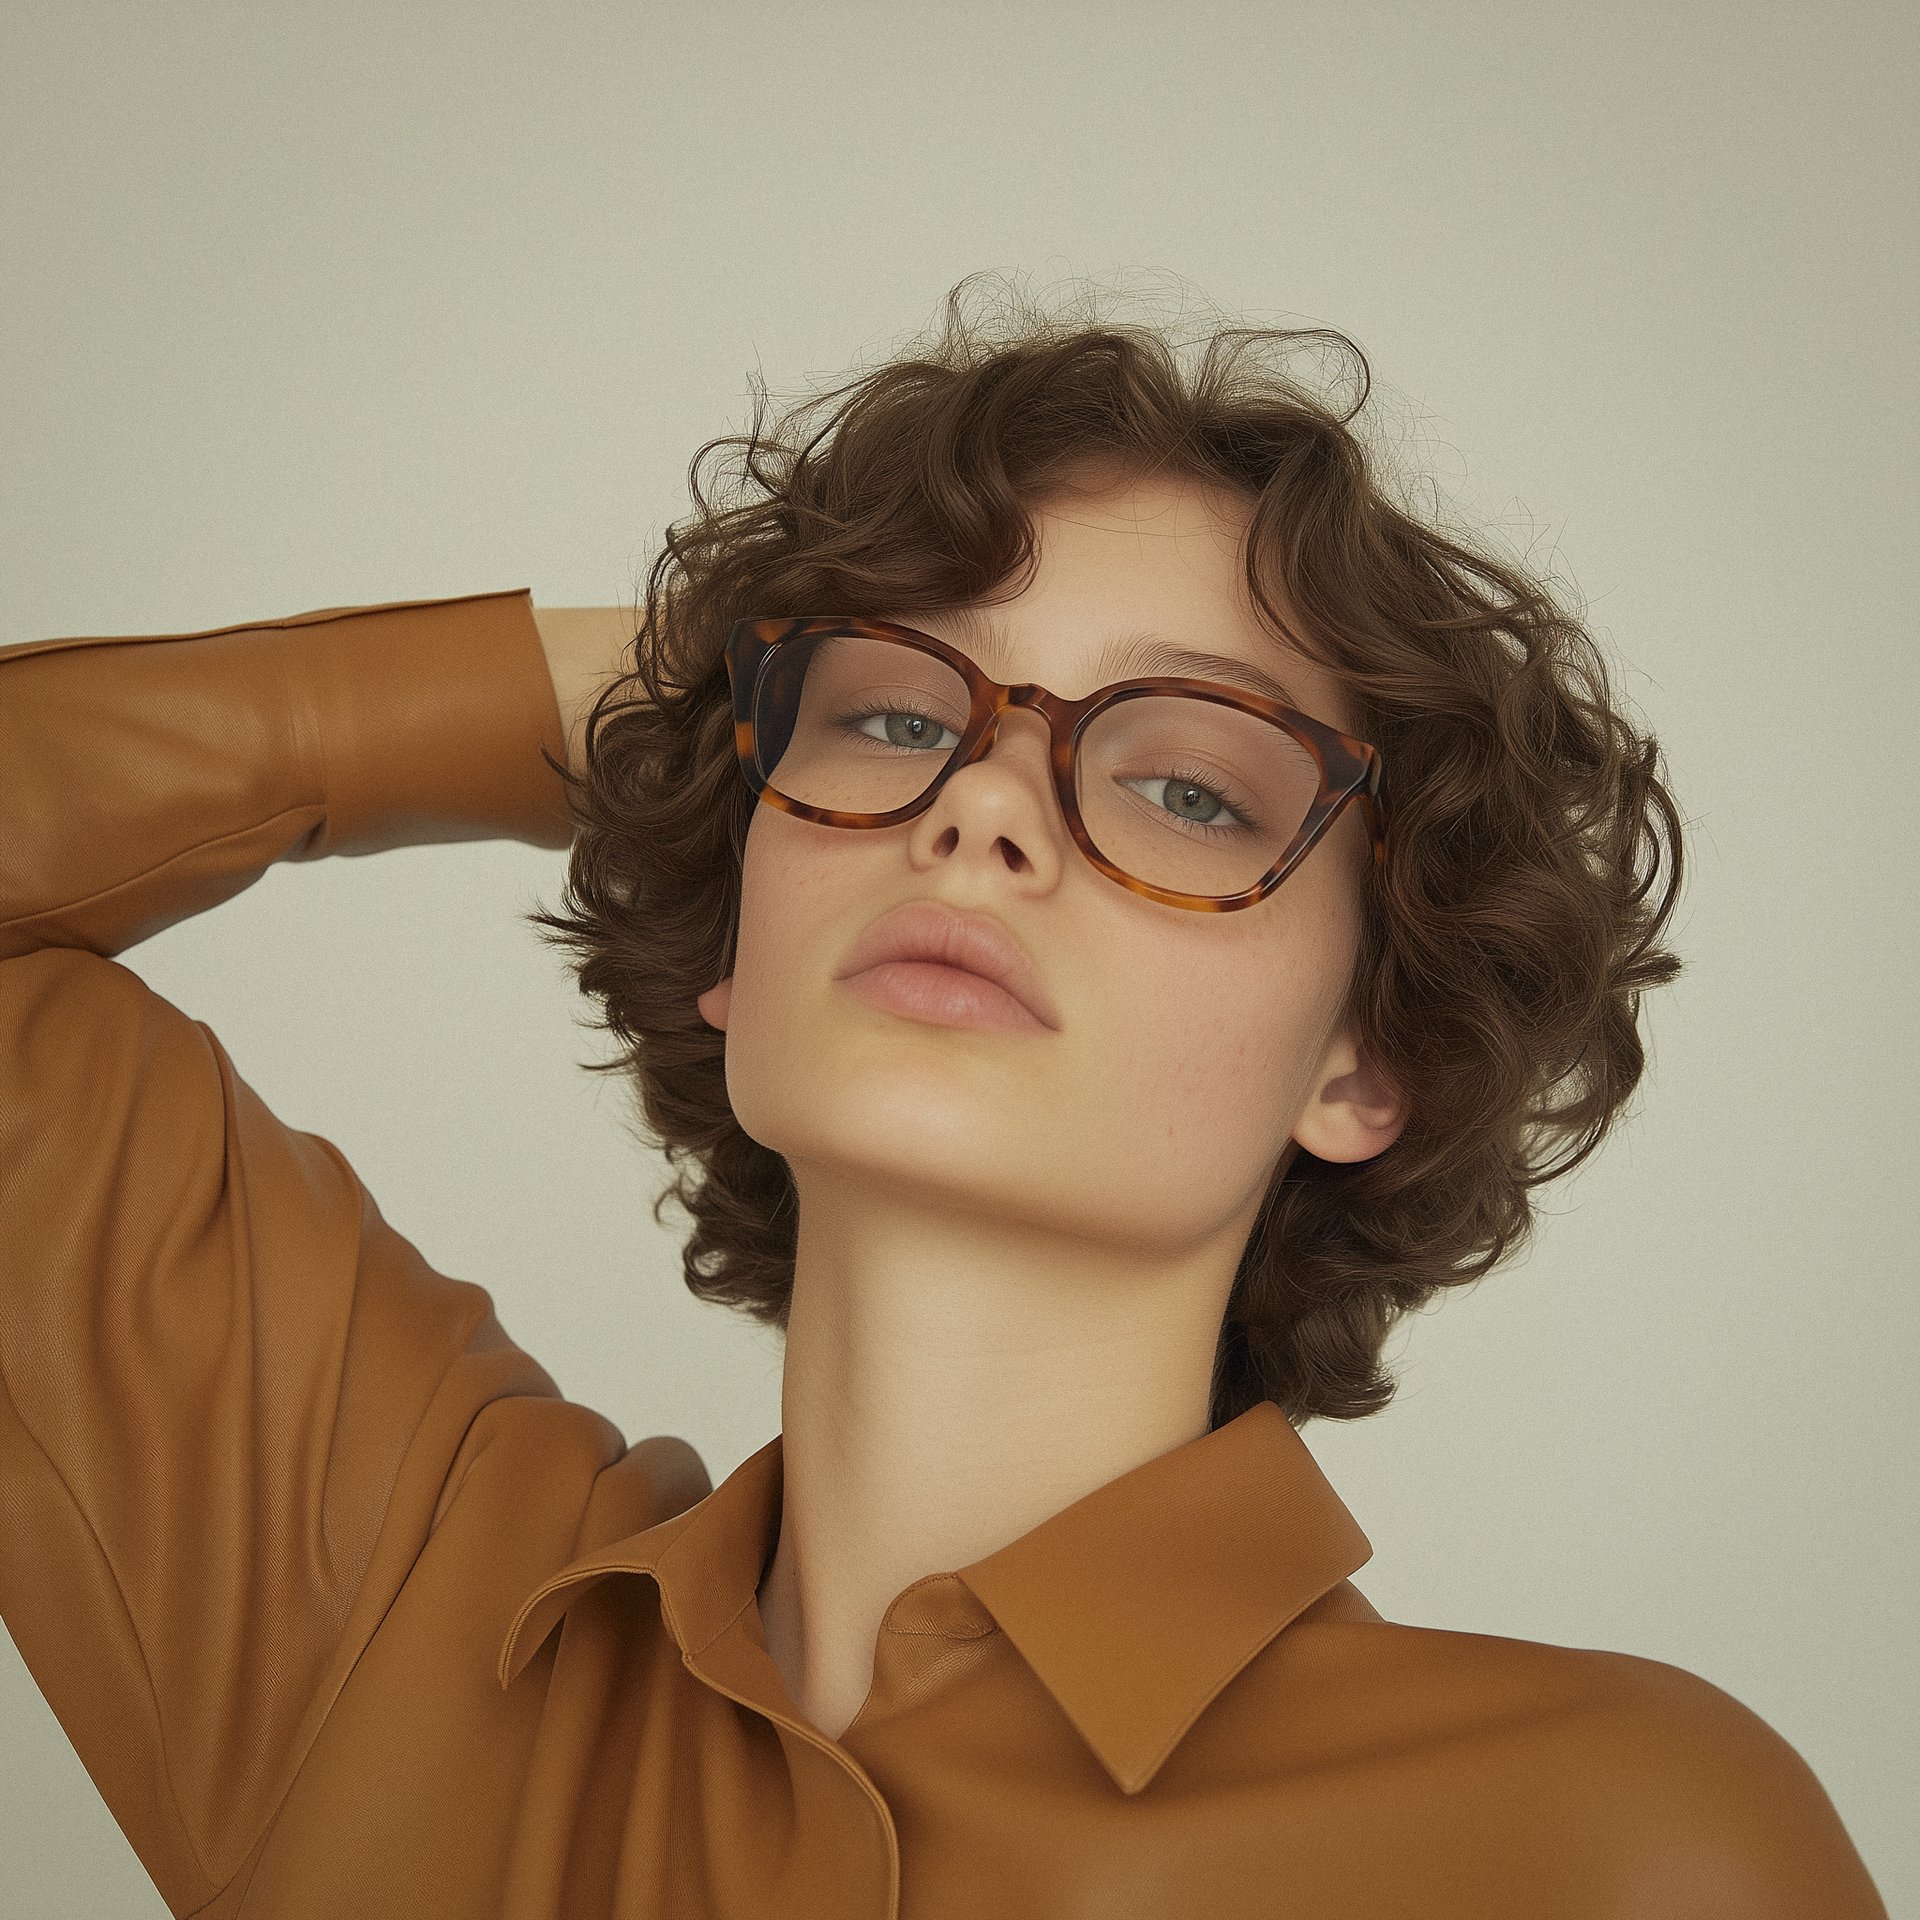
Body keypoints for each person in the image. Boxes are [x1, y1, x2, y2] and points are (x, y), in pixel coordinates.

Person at [0, 283, 1888, 1916]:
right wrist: (679, 694)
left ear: (1364, 1058)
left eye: (1190, 788)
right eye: (896, 719)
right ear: (735, 930)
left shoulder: (1611, 1846)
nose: (981, 805)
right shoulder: (389, 1636)